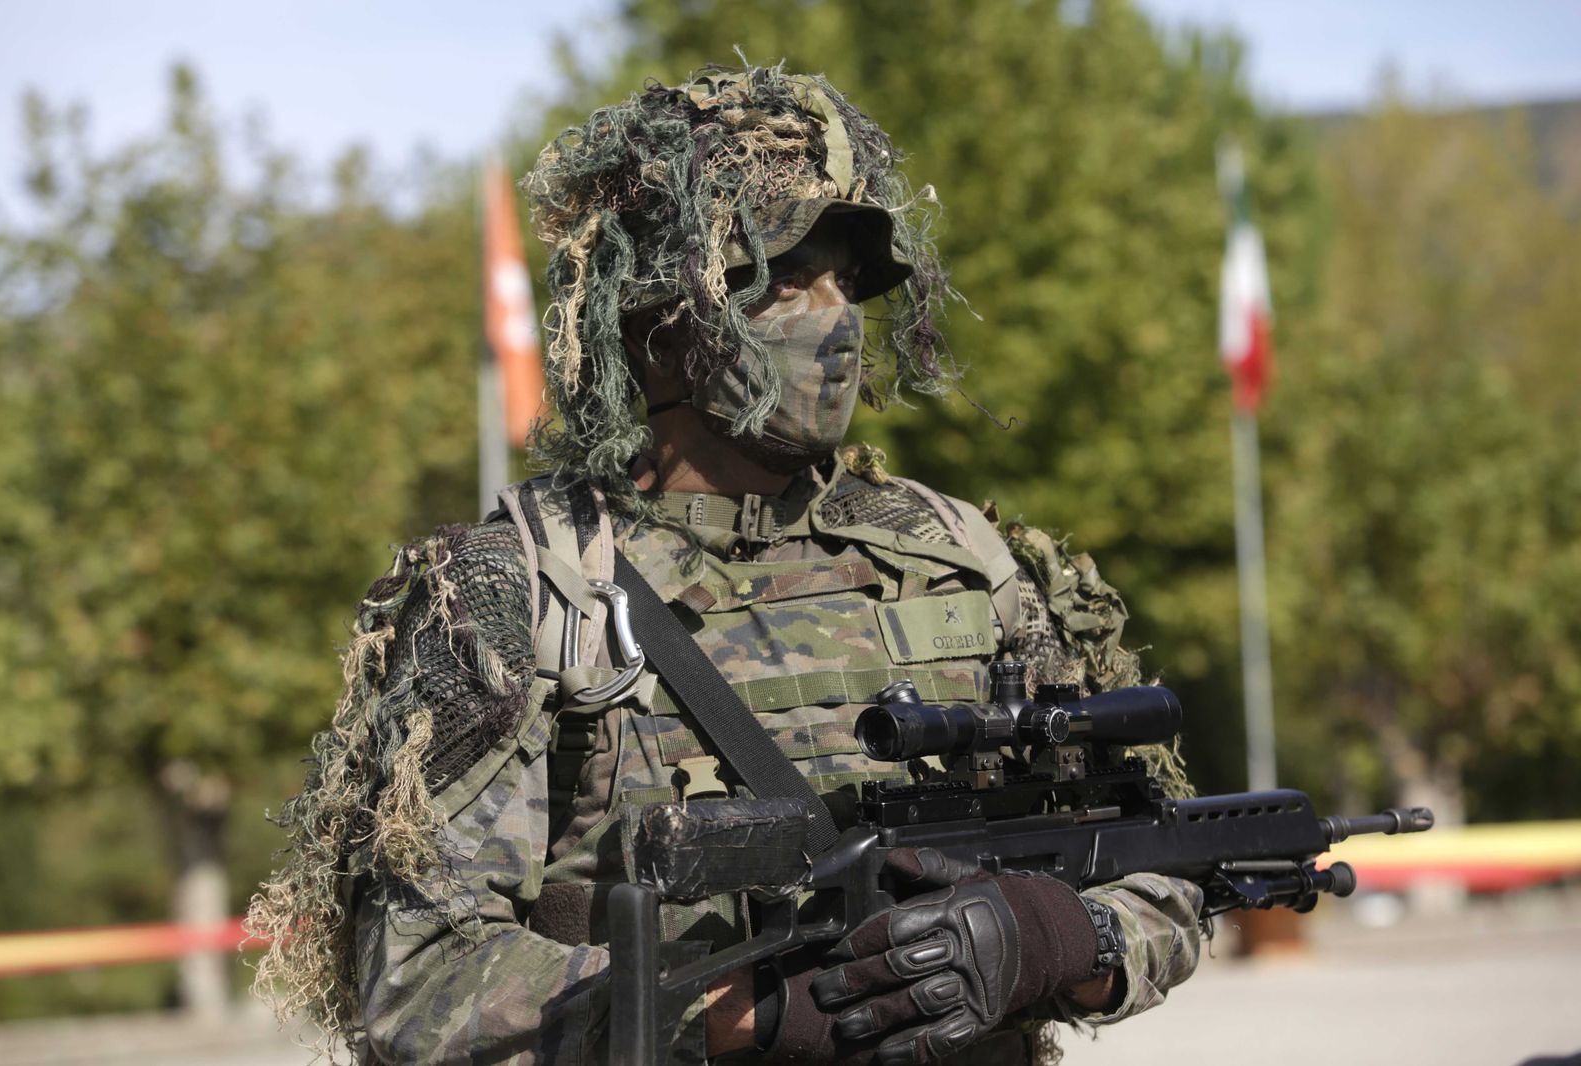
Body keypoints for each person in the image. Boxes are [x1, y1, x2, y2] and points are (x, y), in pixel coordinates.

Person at [248, 64, 1202, 1065]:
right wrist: (752, 1012)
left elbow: (1163, 866)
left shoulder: (965, 559)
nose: (835, 321)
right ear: (659, 328)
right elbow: (420, 984)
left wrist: (1065, 942)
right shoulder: (519, 589)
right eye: (784, 280)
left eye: (846, 281)